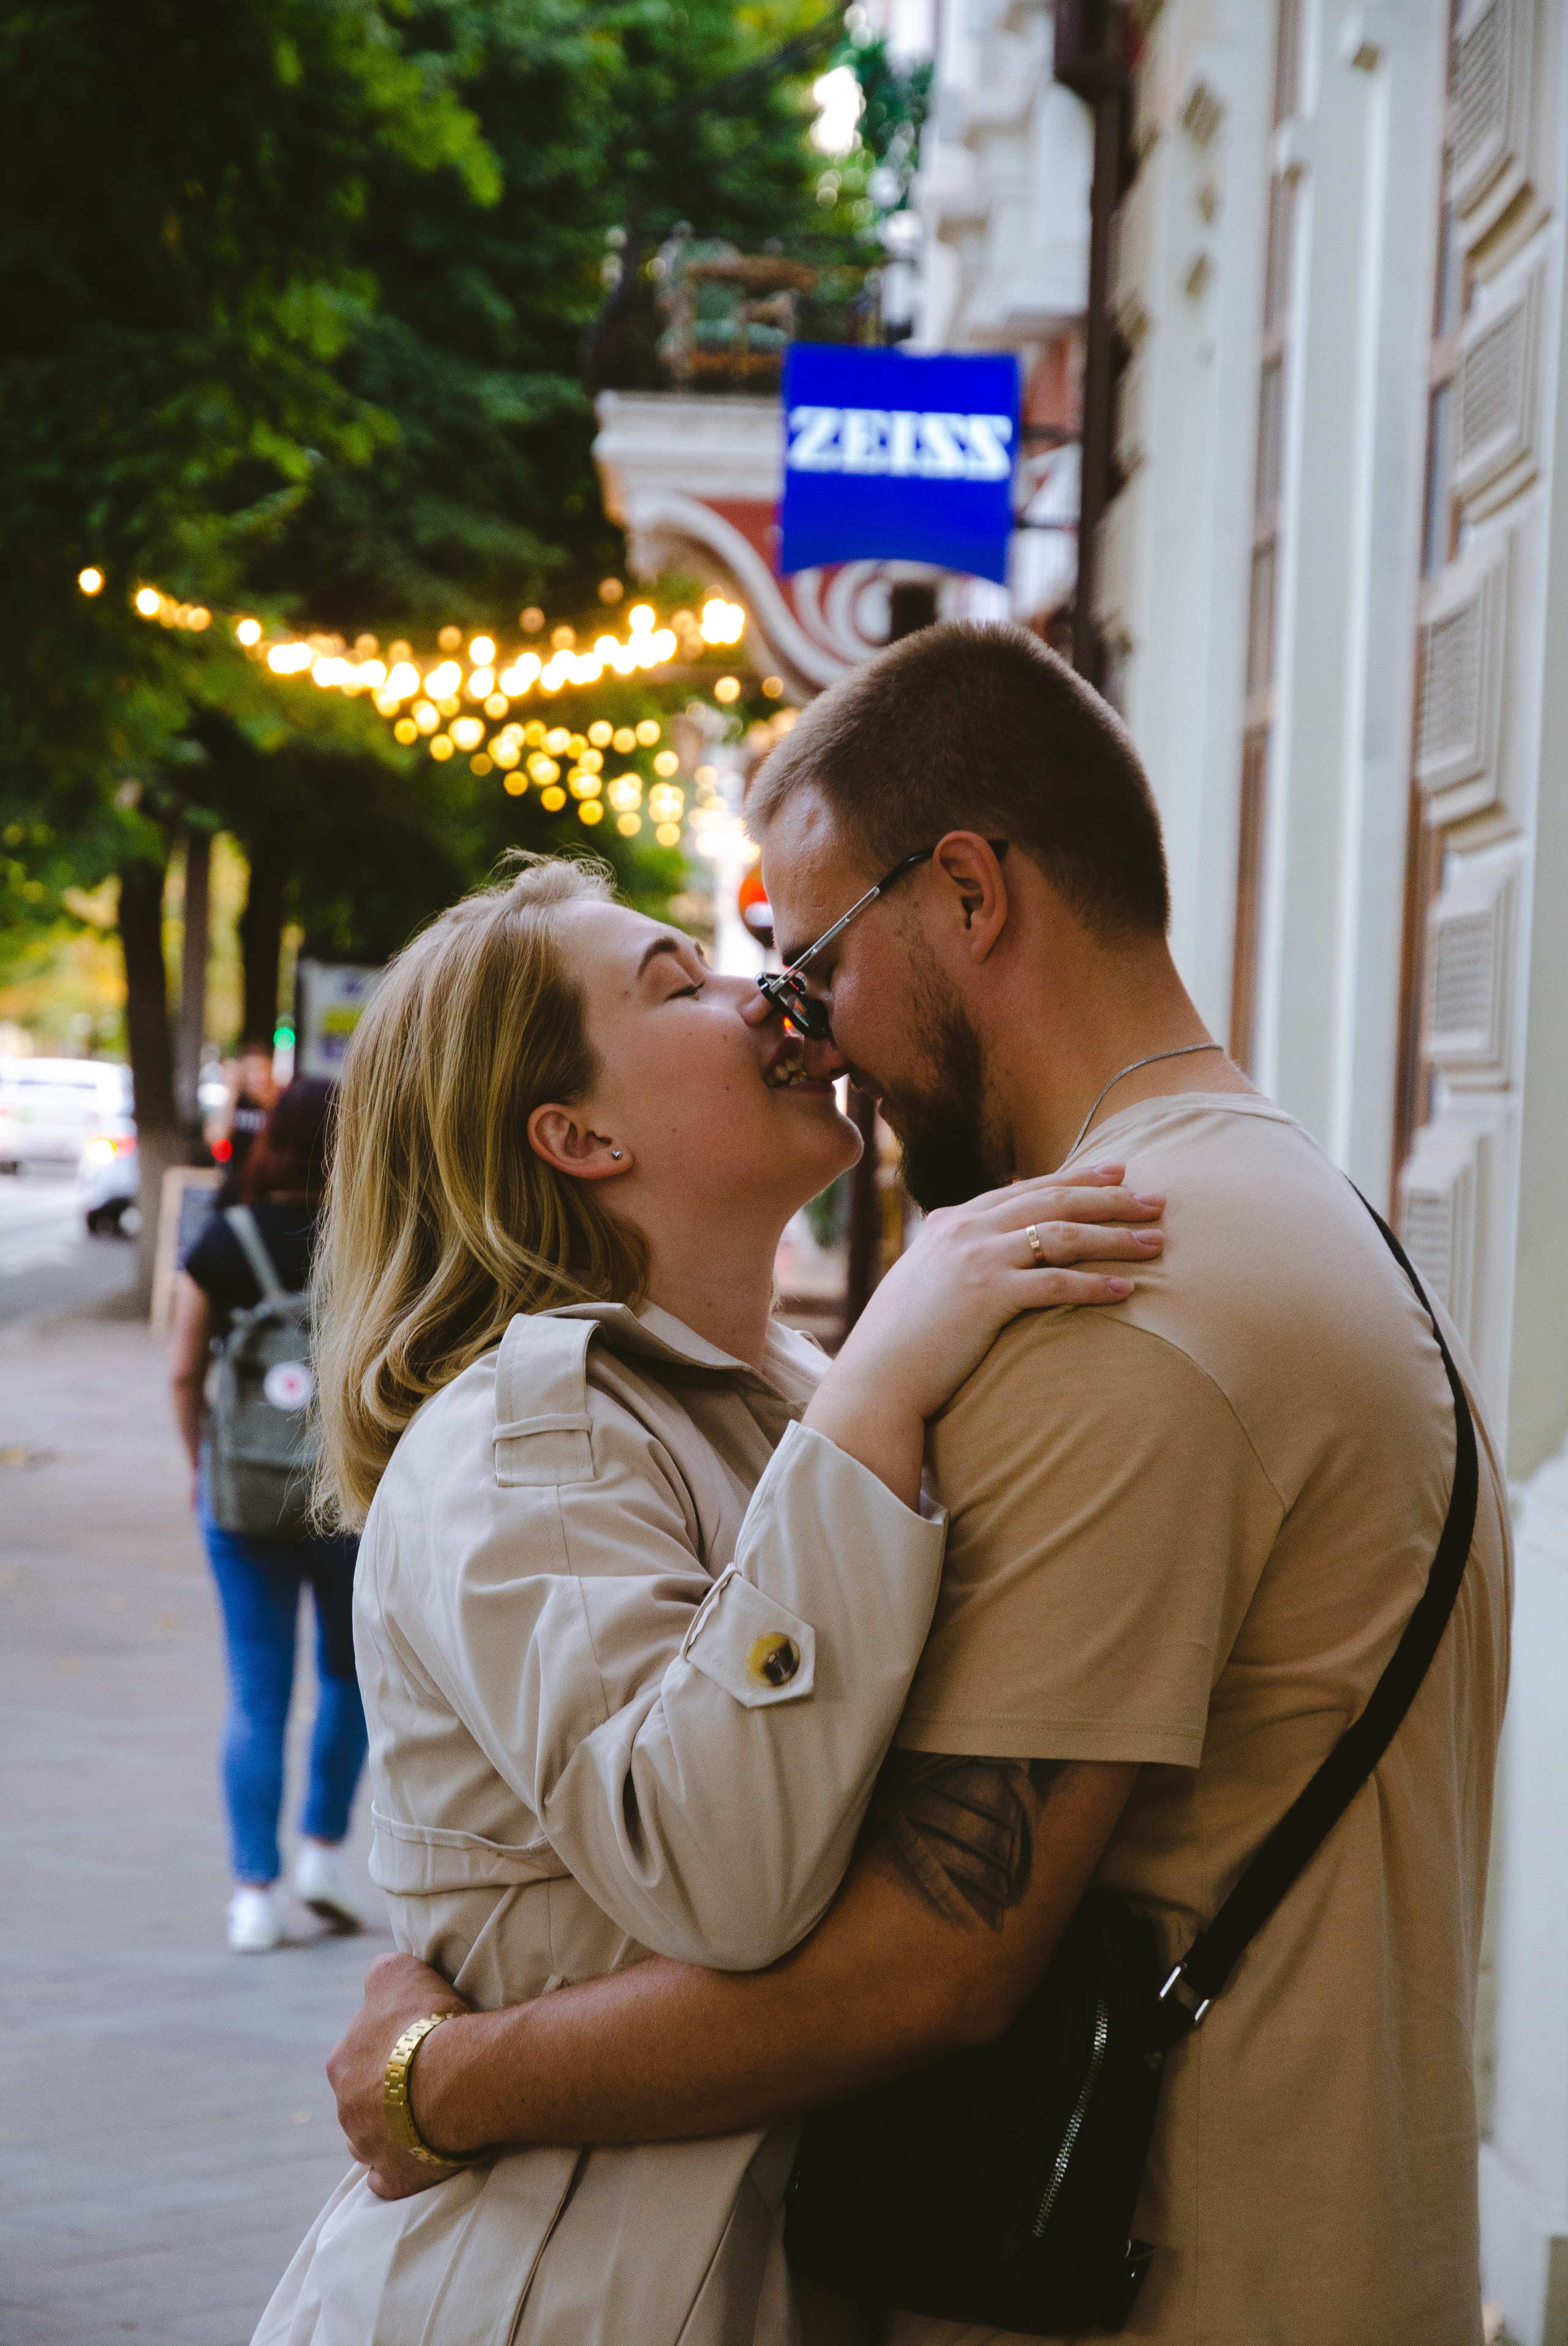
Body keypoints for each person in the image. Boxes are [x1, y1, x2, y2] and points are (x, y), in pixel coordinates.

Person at [328, 622, 1511, 2346]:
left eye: (802, 957)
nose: (793, 1018)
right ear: (572, 1138)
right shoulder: (1237, 1224)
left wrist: (441, 2077)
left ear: (967, 892)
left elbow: (928, 1959)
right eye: (721, 976)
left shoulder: (1118, 1299)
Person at [248, 851, 1162, 2346]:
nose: (769, 998)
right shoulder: (521, 1437)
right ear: (577, 1135)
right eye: (681, 985)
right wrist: (875, 1387)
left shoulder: (799, 1393)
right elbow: (720, 1873)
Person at [169, 1075, 368, 1954]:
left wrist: (197, 1464)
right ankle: (323, 1851)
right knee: (350, 1677)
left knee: (258, 1691)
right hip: (344, 1492)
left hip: (241, 1494)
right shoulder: (369, 1239)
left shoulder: (224, 1239)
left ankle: (255, 1893)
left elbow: (183, 1371)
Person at [215, 1034, 276, 1204]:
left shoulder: (279, 1105)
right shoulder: (238, 1103)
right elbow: (217, 1139)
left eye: (263, 1069)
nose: (258, 1077)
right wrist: (231, 1092)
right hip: (236, 1182)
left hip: (267, 1188)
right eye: (252, 1070)